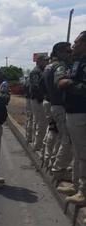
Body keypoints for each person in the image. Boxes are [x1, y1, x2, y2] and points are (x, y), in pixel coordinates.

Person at [58, 31, 86, 204]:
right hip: (73, 112)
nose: (73, 46)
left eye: (76, 43)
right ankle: (77, 185)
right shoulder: (78, 62)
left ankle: (83, 191)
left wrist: (68, 83)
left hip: (81, 113)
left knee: (83, 154)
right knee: (78, 153)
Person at [44, 42, 73, 183]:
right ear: (60, 52)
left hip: (54, 105)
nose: (70, 53)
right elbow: (60, 83)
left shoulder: (49, 66)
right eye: (68, 51)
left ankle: (55, 163)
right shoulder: (60, 66)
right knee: (67, 139)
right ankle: (58, 170)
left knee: (59, 136)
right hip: (60, 106)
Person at [29, 56, 50, 152]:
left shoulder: (40, 71)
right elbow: (35, 87)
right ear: (39, 61)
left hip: (38, 99)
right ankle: (37, 145)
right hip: (37, 100)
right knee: (41, 123)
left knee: (39, 122)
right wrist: (42, 98)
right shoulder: (36, 72)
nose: (47, 62)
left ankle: (36, 143)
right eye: (45, 60)